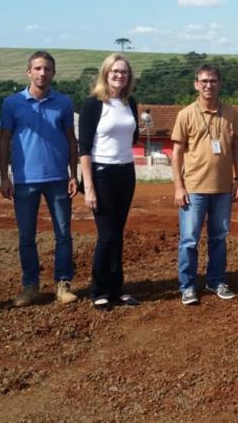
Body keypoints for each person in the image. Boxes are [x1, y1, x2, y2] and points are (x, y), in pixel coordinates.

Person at [0, 51, 78, 307]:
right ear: (28, 72)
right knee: (26, 236)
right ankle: (30, 285)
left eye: (47, 69)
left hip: (57, 178)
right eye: (38, 68)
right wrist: (4, 176)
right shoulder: (12, 103)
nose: (42, 73)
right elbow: (4, 141)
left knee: (64, 233)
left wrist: (73, 174)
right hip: (24, 180)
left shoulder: (64, 103)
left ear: (53, 73)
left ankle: (63, 283)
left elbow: (71, 140)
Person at [172, 64, 238, 305]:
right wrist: (178, 187)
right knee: (189, 240)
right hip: (193, 189)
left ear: (219, 84)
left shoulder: (230, 113)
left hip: (223, 188)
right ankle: (188, 286)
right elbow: (177, 153)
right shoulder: (186, 115)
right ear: (196, 84)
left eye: (213, 81)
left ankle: (215, 281)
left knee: (219, 237)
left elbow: (237, 147)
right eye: (204, 81)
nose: (208, 85)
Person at [78, 54, 141, 311]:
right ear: (106, 73)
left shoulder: (130, 102)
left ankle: (117, 288)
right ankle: (99, 289)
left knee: (118, 233)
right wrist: (89, 187)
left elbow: (133, 137)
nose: (119, 76)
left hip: (125, 173)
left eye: (124, 72)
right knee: (107, 235)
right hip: (101, 173)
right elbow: (84, 148)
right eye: (115, 71)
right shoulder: (93, 104)